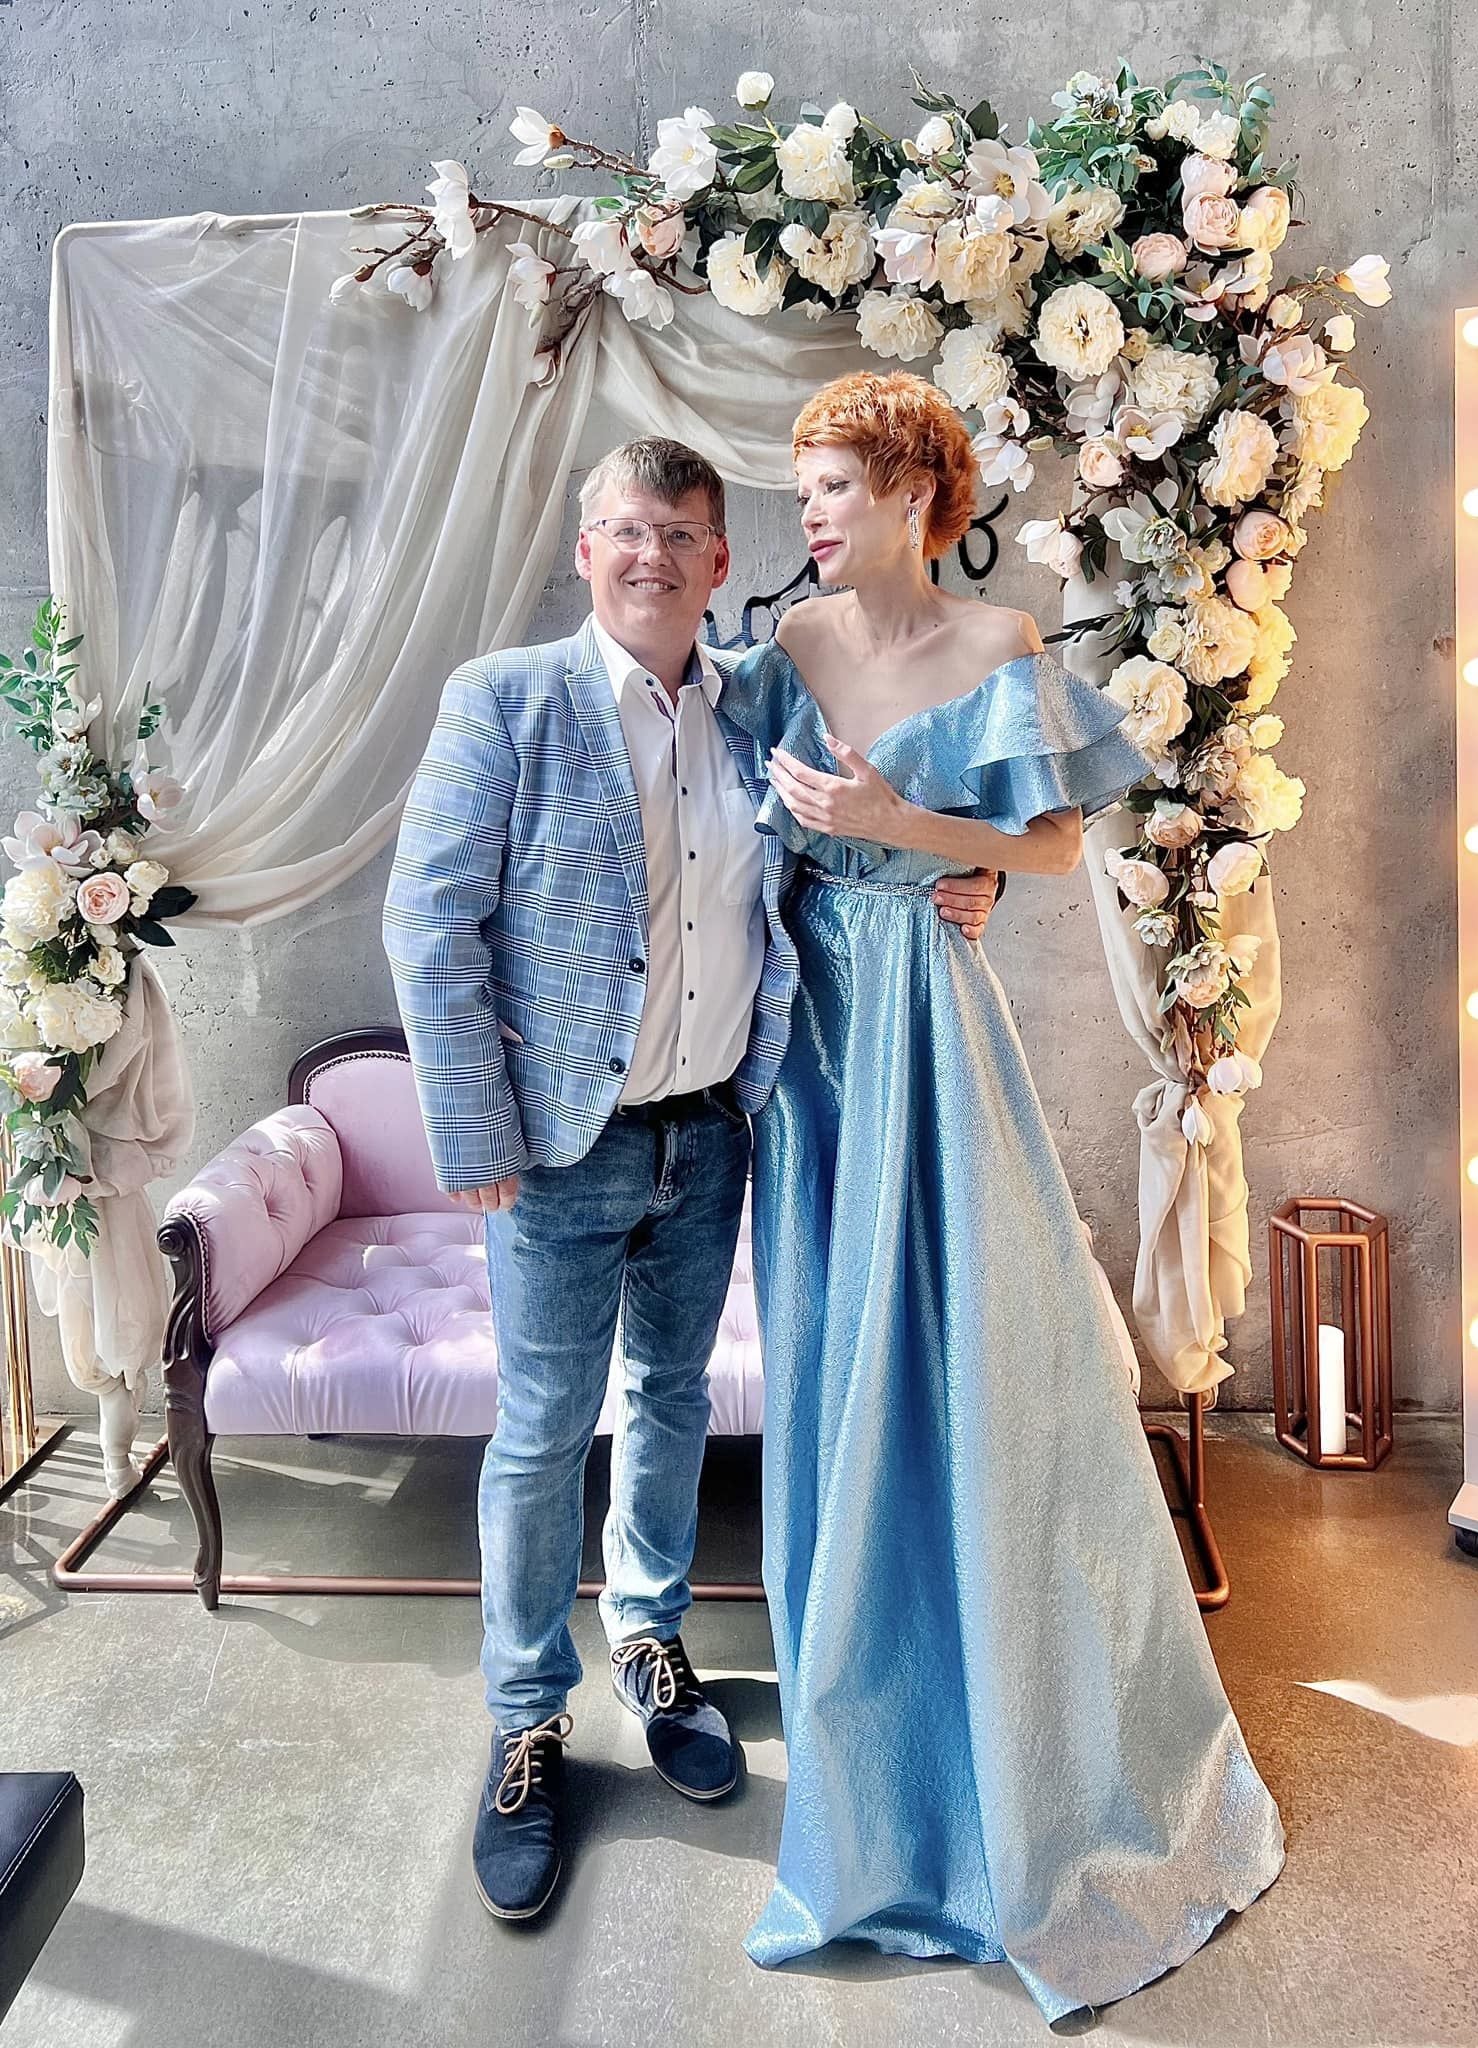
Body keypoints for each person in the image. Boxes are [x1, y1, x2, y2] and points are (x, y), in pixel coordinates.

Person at [716, 371, 1286, 2023]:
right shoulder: (785, 649)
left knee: (983, 1356)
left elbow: (1053, 848)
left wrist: (911, 826)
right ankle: (873, 1777)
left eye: (834, 486)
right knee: (839, 1364)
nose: (811, 514)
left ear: (914, 490)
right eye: (805, 489)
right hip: (811, 1038)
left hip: (930, 1015)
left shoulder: (1002, 643)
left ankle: (1034, 1750)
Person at [382, 436, 998, 1922]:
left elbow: (846, 853)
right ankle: (526, 1719)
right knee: (542, 1432)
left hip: (713, 1128)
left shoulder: (756, 703)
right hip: (560, 1150)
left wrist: (964, 872)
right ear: (586, 551)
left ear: (722, 562)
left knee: (669, 1402)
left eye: (681, 534)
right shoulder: (507, 699)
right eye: (627, 530)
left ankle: (652, 1641)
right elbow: (428, 922)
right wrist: (472, 1130)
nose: (651, 555)